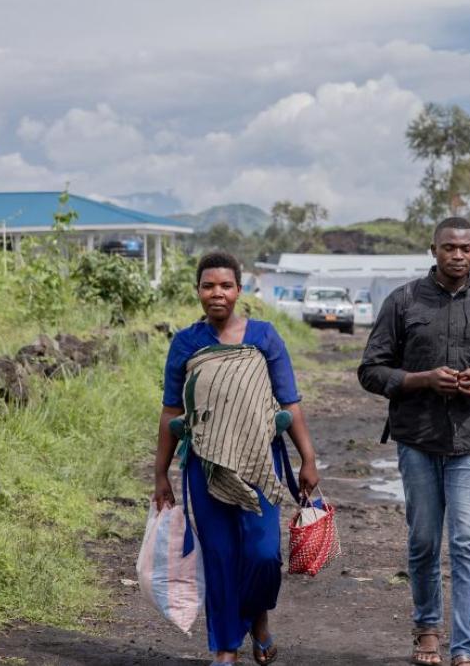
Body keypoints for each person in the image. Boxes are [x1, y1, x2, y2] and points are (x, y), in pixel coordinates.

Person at [358, 217, 470, 666]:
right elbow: (371, 370)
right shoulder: (403, 301)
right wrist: (420, 379)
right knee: (425, 540)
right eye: (449, 247)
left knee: (468, 542)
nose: (457, 255)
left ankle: (464, 648)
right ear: (433, 250)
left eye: (465, 248)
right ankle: (427, 630)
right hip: (417, 440)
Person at [152, 251, 321, 666]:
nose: (217, 293)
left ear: (239, 291)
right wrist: (160, 474)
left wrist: (308, 459)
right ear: (197, 291)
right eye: (208, 286)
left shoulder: (263, 337)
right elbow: (172, 411)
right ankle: (225, 648)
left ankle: (259, 620)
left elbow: (290, 401)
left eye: (226, 285)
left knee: (264, 555)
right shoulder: (187, 343)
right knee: (221, 557)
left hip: (260, 466)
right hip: (205, 468)